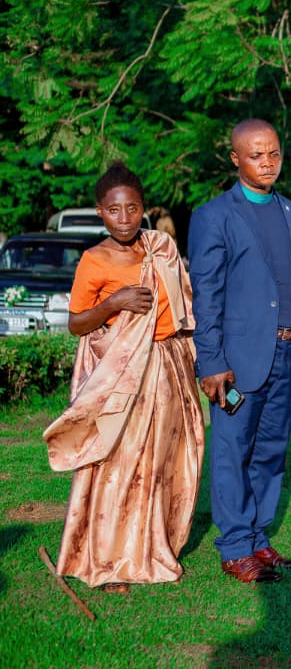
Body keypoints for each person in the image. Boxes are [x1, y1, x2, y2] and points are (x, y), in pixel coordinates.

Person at [43, 162, 202, 593]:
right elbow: (77, 323)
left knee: (161, 463)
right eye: (114, 210)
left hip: (168, 368)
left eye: (133, 208)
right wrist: (114, 302)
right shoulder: (94, 260)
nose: (125, 218)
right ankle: (110, 560)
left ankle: (150, 548)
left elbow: (185, 307)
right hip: (124, 375)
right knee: (120, 463)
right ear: (101, 212)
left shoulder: (160, 248)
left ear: (143, 208)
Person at [189, 119, 291, 583]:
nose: (267, 163)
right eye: (256, 155)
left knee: (270, 451)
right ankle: (234, 549)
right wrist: (211, 362)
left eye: (274, 154)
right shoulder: (214, 216)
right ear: (236, 159)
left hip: (288, 352)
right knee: (232, 451)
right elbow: (206, 297)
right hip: (238, 360)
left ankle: (258, 539)